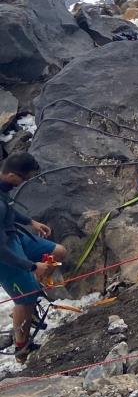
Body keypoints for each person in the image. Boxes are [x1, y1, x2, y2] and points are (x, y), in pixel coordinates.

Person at [0, 153, 68, 364]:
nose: (24, 183)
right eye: (23, 179)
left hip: (14, 235)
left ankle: (29, 296)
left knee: (58, 252)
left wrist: (31, 221)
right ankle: (22, 347)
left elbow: (9, 209)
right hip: (4, 253)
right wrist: (31, 266)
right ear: (11, 175)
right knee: (25, 297)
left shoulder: (4, 188)